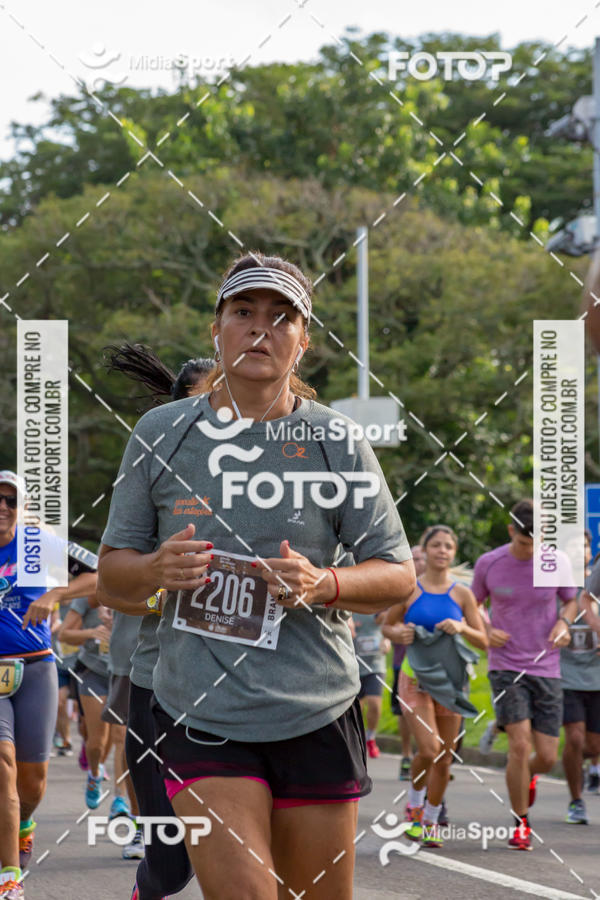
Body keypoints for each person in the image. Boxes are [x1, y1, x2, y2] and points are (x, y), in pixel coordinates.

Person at [98, 252, 415, 900]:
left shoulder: (336, 440)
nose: (260, 330)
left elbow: (398, 574)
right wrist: (156, 569)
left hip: (316, 709)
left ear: (305, 340)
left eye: (281, 317)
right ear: (218, 329)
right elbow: (110, 578)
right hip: (198, 714)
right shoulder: (160, 434)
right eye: (243, 313)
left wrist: (323, 583)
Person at [103, 343, 215, 897]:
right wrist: (158, 585)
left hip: (250, 692)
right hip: (160, 683)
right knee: (171, 867)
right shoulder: (155, 482)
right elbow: (115, 588)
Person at [0, 471, 96, 899]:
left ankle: (23, 825)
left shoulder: (41, 544)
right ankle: (8, 878)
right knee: (3, 763)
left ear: (21, 508)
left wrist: (54, 595)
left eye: (10, 501)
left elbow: (101, 573)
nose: (2, 508)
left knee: (32, 778)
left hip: (36, 669)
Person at [471, 499, 577, 851]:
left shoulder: (556, 562)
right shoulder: (490, 563)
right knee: (519, 745)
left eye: (536, 542)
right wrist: (485, 628)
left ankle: (525, 776)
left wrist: (564, 622)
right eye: (523, 542)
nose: (530, 549)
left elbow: (570, 601)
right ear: (511, 530)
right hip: (505, 664)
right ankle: (521, 822)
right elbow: (472, 603)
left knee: (546, 756)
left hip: (547, 665)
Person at [384, 524, 487, 848]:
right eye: (436, 545)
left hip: (452, 683)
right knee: (428, 749)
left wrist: (461, 626)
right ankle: (413, 806)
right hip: (415, 678)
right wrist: (396, 633)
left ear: (453, 553)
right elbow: (388, 625)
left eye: (448, 546)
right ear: (425, 551)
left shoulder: (462, 594)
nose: (442, 550)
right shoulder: (409, 589)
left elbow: (483, 640)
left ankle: (431, 818)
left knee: (444, 757)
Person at [561, 533, 600, 824]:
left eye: (585, 545)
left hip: (596, 674)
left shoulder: (596, 580)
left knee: (594, 746)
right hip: (564, 674)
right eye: (574, 545)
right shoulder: (556, 587)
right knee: (574, 736)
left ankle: (574, 763)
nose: (581, 550)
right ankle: (576, 800)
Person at [385, 544, 425, 780]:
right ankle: (407, 756)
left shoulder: (442, 589)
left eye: (422, 558)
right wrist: (399, 630)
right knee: (403, 715)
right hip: (404, 662)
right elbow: (384, 619)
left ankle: (428, 758)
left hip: (436, 667)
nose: (420, 563)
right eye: (416, 558)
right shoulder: (402, 587)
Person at [352, 612, 390, 758]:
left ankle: (371, 737)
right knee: (357, 708)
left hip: (375, 665)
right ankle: (357, 739)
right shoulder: (349, 608)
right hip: (354, 666)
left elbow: (390, 624)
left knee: (374, 704)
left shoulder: (378, 607)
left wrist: (387, 641)